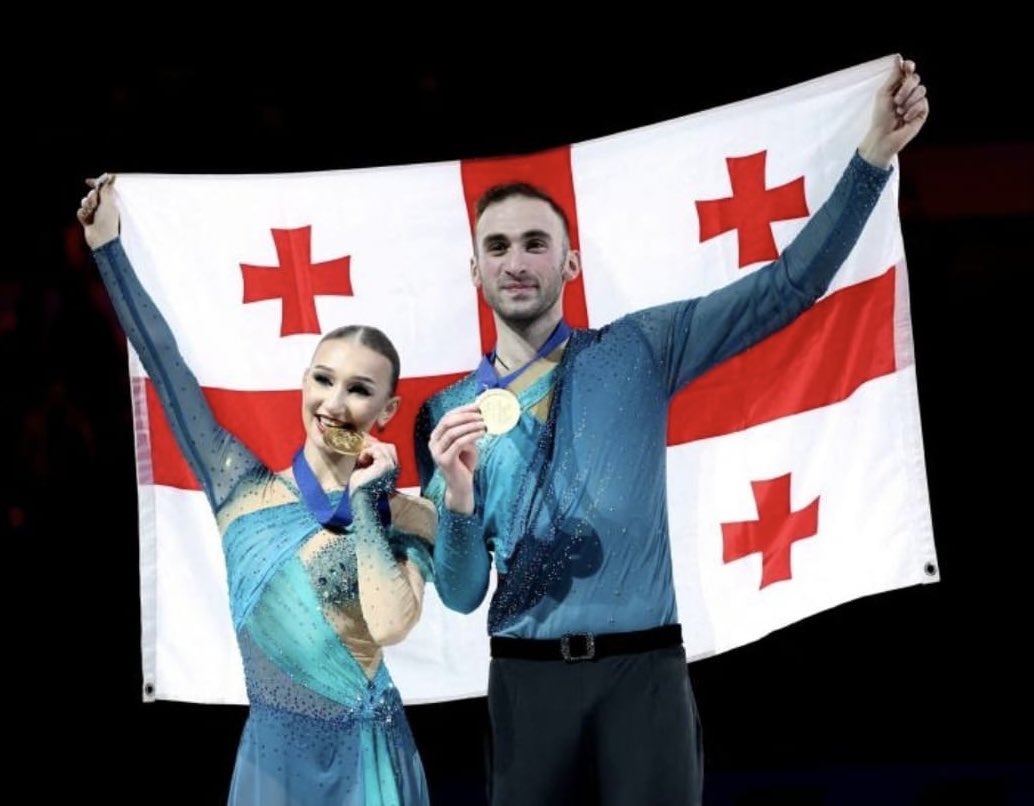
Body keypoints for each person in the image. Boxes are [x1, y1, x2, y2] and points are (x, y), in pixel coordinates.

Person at [415, 58, 930, 805]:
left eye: (535, 243)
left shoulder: (640, 349)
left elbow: (790, 286)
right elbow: (461, 596)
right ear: (475, 270)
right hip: (524, 682)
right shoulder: (450, 414)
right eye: (498, 247)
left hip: (643, 678)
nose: (516, 262)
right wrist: (457, 499)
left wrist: (873, 160)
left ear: (570, 261)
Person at [78, 176, 437, 806]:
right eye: (323, 379)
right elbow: (165, 364)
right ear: (303, 382)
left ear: (387, 407)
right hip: (274, 765)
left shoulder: (403, 512)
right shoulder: (240, 489)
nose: (333, 401)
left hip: (371, 758)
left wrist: (369, 504)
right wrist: (107, 246)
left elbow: (390, 624)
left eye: (358, 389)